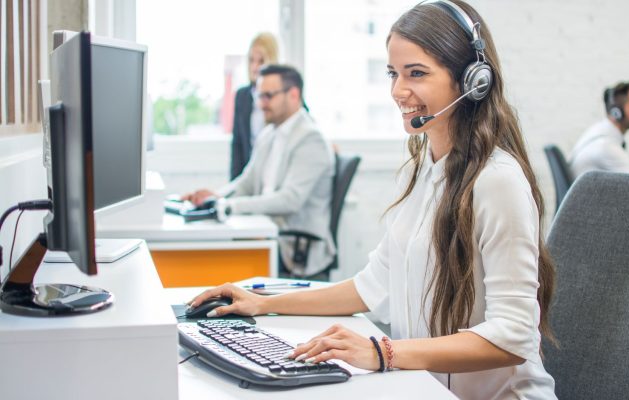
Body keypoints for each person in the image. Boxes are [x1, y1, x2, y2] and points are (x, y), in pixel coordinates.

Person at [189, 1, 557, 398]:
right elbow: (370, 286)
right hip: (427, 389)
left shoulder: (497, 181)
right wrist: (262, 303)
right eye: (393, 74)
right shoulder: (428, 169)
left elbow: (514, 335)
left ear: (472, 81)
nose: (398, 91)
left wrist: (382, 352)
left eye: (416, 73)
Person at [183, 64, 336, 278]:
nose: (261, 104)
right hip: (268, 233)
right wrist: (217, 196)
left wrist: (229, 206)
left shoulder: (310, 139)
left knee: (216, 264)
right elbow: (246, 181)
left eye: (268, 96)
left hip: (294, 249)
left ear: (293, 94)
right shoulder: (269, 133)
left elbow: (289, 200)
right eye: (259, 96)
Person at [230, 32, 279, 181]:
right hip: (249, 176)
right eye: (251, 60)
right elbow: (237, 146)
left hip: (274, 176)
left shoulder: (283, 95)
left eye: (261, 61)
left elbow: (304, 124)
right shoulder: (242, 96)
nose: (255, 67)